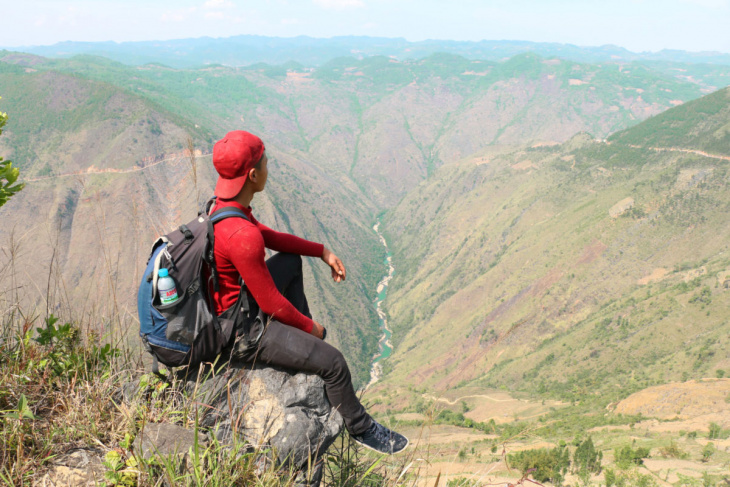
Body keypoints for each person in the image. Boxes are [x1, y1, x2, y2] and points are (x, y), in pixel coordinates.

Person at [209, 130, 408, 455]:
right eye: (265, 163)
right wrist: (312, 330)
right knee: (334, 363)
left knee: (290, 262)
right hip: (241, 335)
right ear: (253, 175)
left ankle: (302, 351)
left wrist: (322, 252)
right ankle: (360, 427)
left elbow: (271, 238)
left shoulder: (224, 210)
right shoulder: (241, 235)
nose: (269, 168)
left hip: (233, 310)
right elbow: (270, 302)